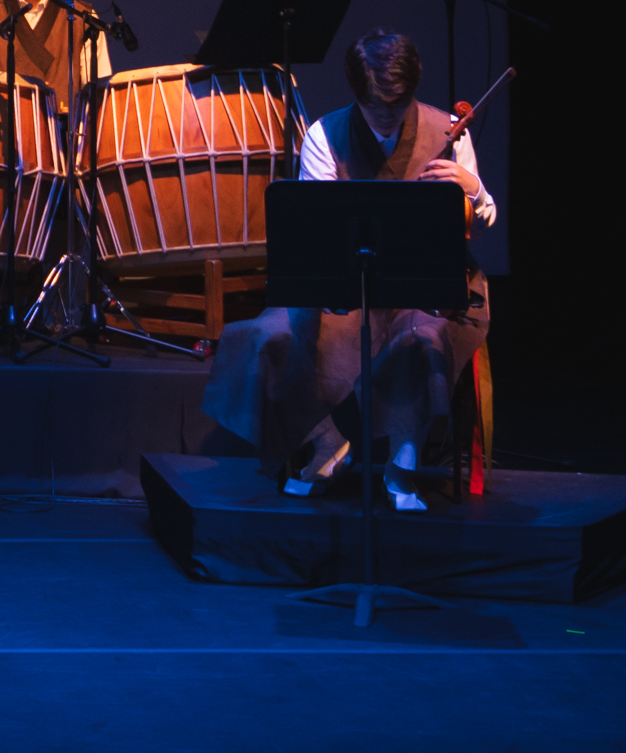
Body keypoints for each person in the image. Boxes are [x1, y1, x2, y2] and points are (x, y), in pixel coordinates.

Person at [205, 28, 497, 513]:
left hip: (424, 287)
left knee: (421, 338)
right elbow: (317, 231)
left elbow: (481, 227)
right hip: (347, 285)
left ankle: (402, 462)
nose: (386, 115)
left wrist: (472, 188)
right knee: (270, 335)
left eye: (396, 105)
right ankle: (327, 441)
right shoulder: (326, 135)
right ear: (356, 93)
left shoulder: (450, 132)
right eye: (374, 105)